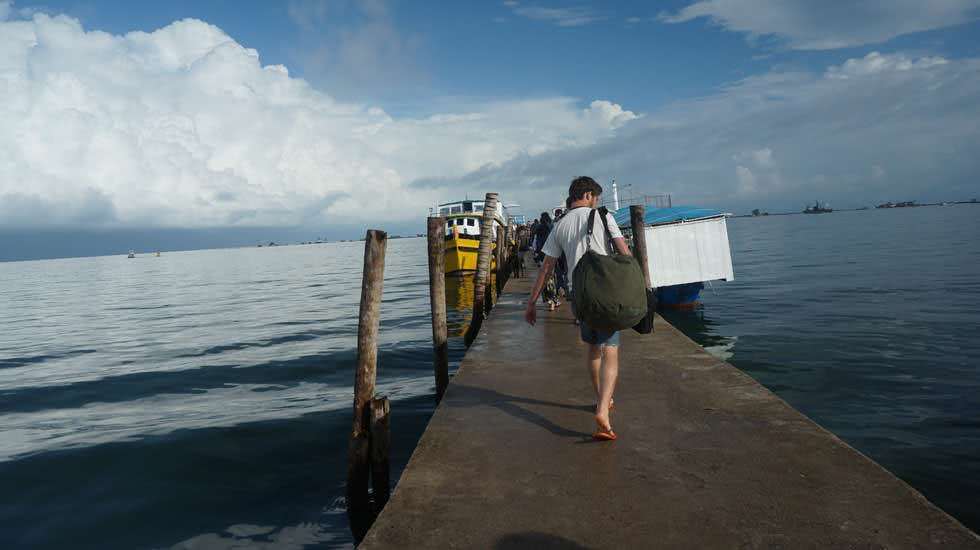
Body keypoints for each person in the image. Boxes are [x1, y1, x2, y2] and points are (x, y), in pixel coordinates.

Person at [524, 176, 632, 441]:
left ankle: (601, 398)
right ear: (587, 195)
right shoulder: (604, 217)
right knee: (612, 351)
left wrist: (532, 302)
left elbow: (547, 267)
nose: (596, 201)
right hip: (605, 291)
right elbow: (625, 254)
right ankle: (602, 410)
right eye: (595, 196)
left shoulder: (559, 225)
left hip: (579, 295)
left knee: (594, 348)